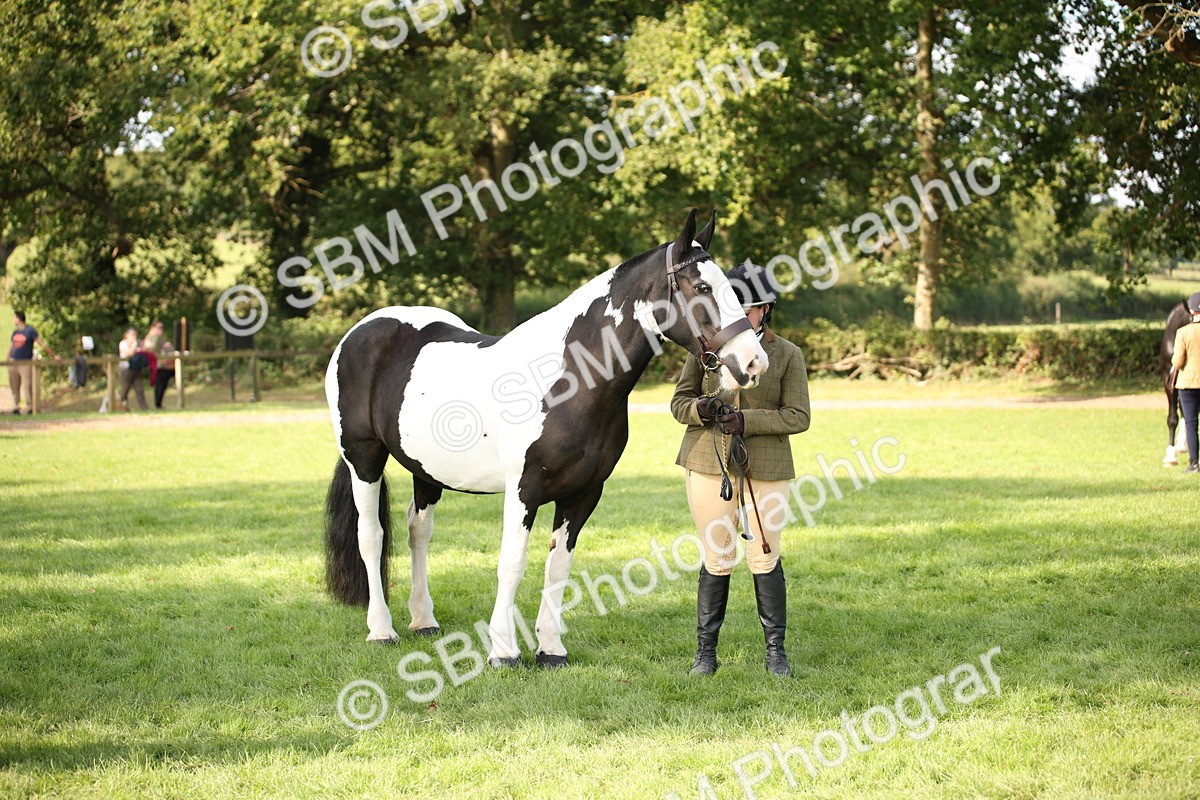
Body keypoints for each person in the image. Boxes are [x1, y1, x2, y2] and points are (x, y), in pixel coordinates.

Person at [670, 260, 811, 676]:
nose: (737, 317)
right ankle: (705, 654)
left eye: (746, 309)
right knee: (717, 556)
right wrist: (701, 409)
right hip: (707, 462)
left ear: (765, 310)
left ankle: (775, 652)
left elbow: (798, 416)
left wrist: (748, 421)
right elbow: (679, 402)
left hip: (766, 466)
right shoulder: (705, 349)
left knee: (764, 555)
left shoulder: (788, 354)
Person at [8, 311, 59, 415]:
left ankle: (30, 406)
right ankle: (16, 406)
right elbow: (11, 346)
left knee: (27, 385)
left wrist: (54, 355)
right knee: (14, 385)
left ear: (19, 319)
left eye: (14, 318)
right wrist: (7, 360)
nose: (13, 320)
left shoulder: (30, 331)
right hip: (14, 362)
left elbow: (42, 344)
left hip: (26, 362)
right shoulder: (15, 332)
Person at [1172, 291, 1200, 474]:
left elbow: (1177, 362)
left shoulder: (1183, 332)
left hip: (1188, 384)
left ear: (1191, 311)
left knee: (1191, 423)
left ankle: (1194, 463)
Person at [143, 321, 175, 409]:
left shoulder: (161, 337)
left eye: (161, 327)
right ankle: (158, 404)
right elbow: (152, 349)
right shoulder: (151, 338)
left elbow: (169, 348)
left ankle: (158, 404)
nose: (161, 329)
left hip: (166, 364)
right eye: (159, 327)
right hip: (158, 365)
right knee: (160, 384)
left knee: (162, 384)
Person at [118, 327, 149, 411]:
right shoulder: (123, 343)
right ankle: (122, 407)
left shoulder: (138, 343)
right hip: (126, 369)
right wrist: (134, 345)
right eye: (132, 334)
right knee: (125, 389)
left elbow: (145, 350)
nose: (134, 336)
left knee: (139, 389)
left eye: (135, 334)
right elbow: (130, 353)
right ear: (127, 335)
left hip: (136, 368)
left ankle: (144, 408)